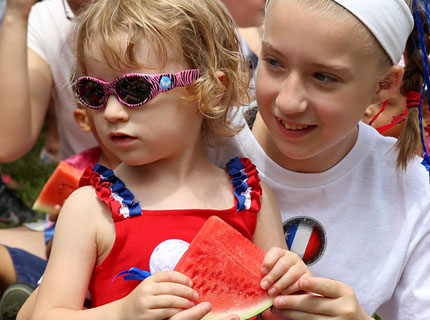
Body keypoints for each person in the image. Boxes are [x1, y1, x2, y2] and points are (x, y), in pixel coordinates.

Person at [30, 0, 311, 319]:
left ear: (211, 91)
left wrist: (287, 289)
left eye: (135, 89)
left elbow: (271, 309)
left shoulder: (250, 199)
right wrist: (123, 312)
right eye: (95, 92)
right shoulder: (88, 208)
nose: (111, 112)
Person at [207, 0, 430, 319]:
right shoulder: (199, 146)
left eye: (323, 77)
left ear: (384, 86)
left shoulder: (414, 194)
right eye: (274, 62)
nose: (289, 101)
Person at [0, 103, 121, 320]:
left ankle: (26, 296)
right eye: (99, 100)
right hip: (67, 283)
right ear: (84, 120)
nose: (116, 113)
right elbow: (50, 253)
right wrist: (64, 227)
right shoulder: (72, 170)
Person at [0, 0, 97, 163]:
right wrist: (16, 15)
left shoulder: (152, 14)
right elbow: (7, 145)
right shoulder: (46, 18)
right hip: (84, 179)